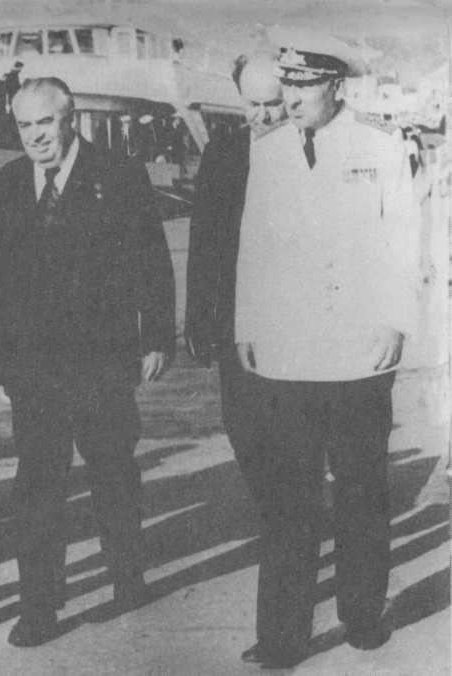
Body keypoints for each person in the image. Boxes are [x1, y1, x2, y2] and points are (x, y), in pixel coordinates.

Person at [234, 29, 418, 668]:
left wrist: (395, 320)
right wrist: (247, 324)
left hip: (357, 353)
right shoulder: (269, 152)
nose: (291, 97)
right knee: (289, 499)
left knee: (361, 490)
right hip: (289, 355)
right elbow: (255, 246)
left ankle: (362, 615)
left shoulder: (379, 146)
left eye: (305, 84)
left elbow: (403, 239)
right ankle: (282, 636)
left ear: (335, 85)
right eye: (287, 84)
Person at [0, 77, 175, 647]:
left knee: (113, 472)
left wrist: (156, 337)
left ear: (71, 120)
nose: (36, 136)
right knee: (37, 486)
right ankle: (40, 604)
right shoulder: (4, 185)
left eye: (45, 122)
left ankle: (127, 577)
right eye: (25, 126)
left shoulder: (119, 176)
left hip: (102, 361)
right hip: (34, 369)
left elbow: (151, 262)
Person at [183, 54, 285, 511]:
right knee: (241, 423)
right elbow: (203, 239)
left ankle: (290, 516)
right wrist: (197, 319)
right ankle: (276, 506)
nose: (262, 116)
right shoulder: (222, 153)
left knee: (293, 424)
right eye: (252, 104)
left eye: (273, 104)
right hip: (235, 315)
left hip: (294, 315)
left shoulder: (313, 152)